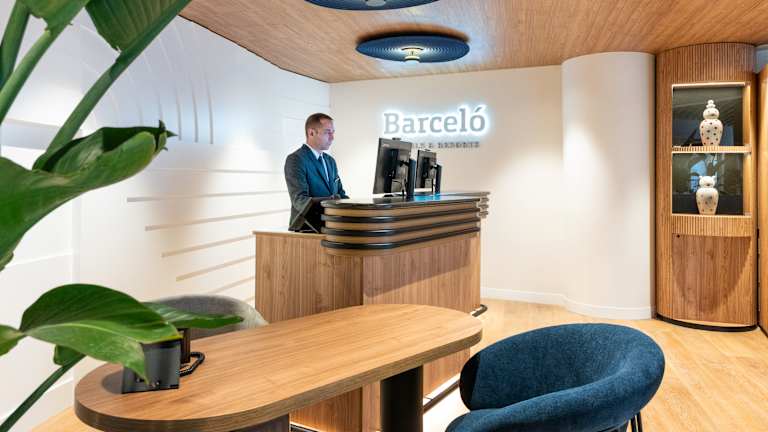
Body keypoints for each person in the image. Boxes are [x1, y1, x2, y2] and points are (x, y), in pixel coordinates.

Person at [284, 113, 348, 230]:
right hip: (307, 230)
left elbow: (341, 194)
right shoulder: (296, 159)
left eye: (333, 132)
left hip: (332, 227)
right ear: (311, 133)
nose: (332, 137)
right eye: (327, 132)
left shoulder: (330, 161)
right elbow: (300, 200)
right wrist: (332, 201)